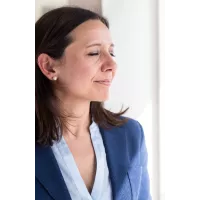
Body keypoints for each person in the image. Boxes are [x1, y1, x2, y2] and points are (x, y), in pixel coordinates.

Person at [33, 6, 151, 200]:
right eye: (94, 53)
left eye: (111, 52)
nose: (112, 65)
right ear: (48, 66)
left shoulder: (131, 135)